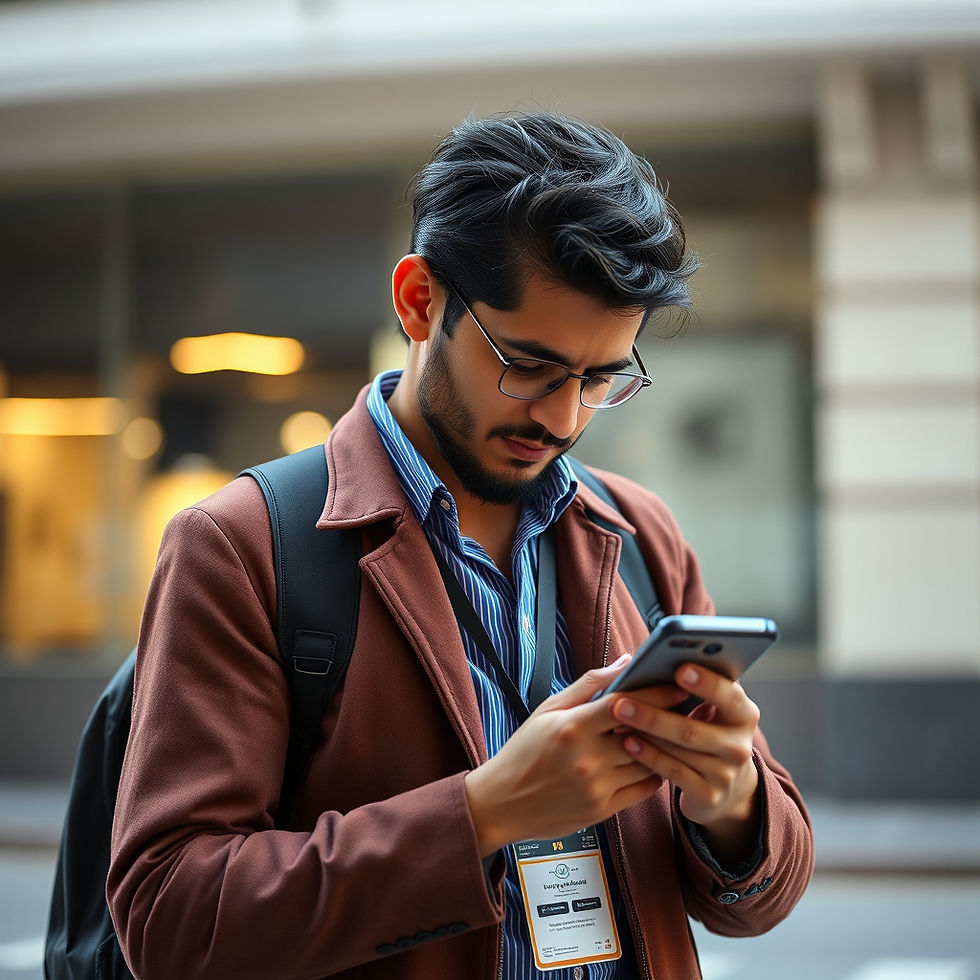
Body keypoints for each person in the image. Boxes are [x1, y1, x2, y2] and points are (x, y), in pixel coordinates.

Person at [107, 111, 813, 980]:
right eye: (528, 364)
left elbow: (763, 897)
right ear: (419, 300)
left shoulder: (638, 534)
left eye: (600, 379)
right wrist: (481, 815)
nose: (562, 417)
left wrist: (733, 799)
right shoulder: (242, 547)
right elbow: (171, 920)